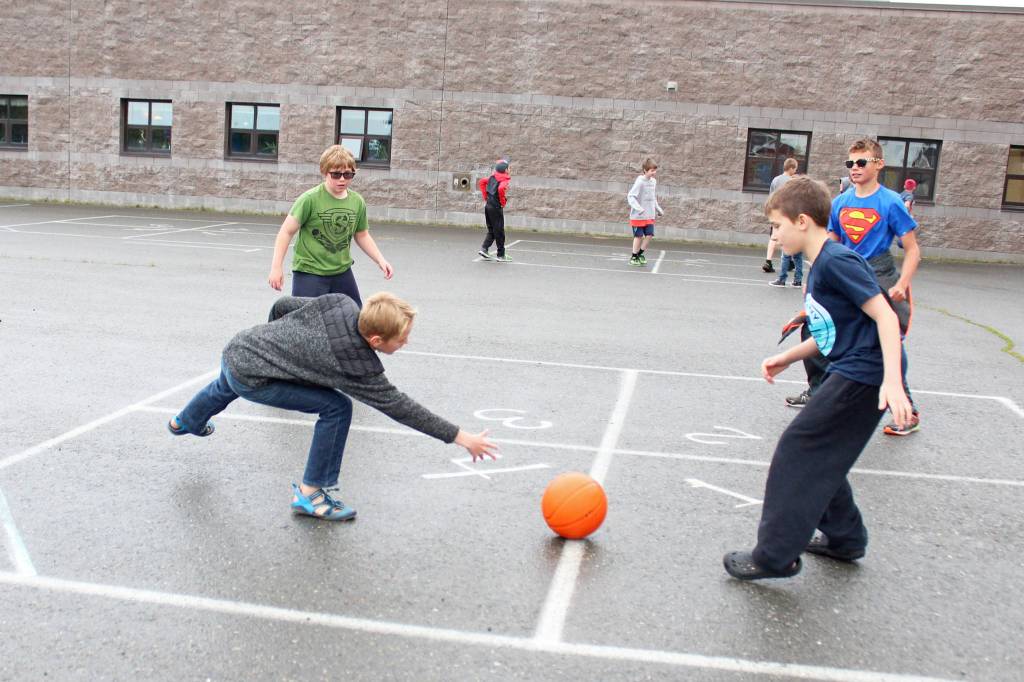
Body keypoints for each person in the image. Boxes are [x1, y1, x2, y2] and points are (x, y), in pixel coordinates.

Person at [723, 177, 912, 580]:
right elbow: (836, 331)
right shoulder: (822, 263)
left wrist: (892, 382)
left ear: (803, 221)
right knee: (824, 453)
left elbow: (885, 316)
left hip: (867, 372)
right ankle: (845, 538)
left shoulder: (836, 261)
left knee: (798, 448)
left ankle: (775, 556)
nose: (774, 234)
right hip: (855, 363)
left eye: (777, 226)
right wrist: (788, 356)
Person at [167, 292, 498, 521]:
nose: (407, 342)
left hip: (240, 345)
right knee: (337, 408)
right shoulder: (357, 365)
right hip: (254, 376)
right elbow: (401, 407)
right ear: (376, 341)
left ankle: (185, 421)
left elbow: (283, 305)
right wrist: (460, 437)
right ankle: (311, 492)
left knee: (225, 384)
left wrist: (271, 337)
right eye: (402, 338)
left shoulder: (340, 303)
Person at [828, 138, 922, 435]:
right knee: (838, 336)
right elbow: (832, 244)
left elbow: (913, 249)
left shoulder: (891, 201)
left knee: (889, 339)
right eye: (850, 163)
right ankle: (828, 397)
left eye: (861, 162)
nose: (854, 168)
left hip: (881, 274)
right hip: (848, 273)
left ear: (879, 164)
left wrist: (902, 284)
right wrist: (817, 281)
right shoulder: (840, 202)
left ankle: (907, 409)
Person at [268, 145, 393, 307]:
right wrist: (276, 268)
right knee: (307, 324)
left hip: (341, 272)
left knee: (354, 319)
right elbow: (286, 232)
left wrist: (380, 260)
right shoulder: (309, 199)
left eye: (348, 174)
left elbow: (362, 235)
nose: (342, 179)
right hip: (309, 272)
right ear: (324, 172)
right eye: (336, 174)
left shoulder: (357, 201)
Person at [762, 158, 798, 273]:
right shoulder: (792, 181)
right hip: (787, 213)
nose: (795, 171)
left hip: (775, 212)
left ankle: (768, 261)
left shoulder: (775, 180)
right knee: (789, 237)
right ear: (791, 168)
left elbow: (771, 197)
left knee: (774, 236)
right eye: (795, 169)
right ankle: (789, 262)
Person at [627, 158, 665, 266]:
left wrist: (658, 209)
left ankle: (640, 254)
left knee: (649, 235)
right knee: (638, 236)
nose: (654, 173)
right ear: (645, 170)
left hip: (649, 214)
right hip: (638, 216)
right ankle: (634, 257)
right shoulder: (640, 181)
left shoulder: (653, 182)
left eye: (655, 170)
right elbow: (631, 196)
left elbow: (653, 198)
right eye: (652, 171)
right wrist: (639, 209)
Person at [477, 159, 512, 262]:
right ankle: (501, 255)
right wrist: (502, 202)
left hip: (488, 206)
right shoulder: (504, 180)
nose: (510, 169)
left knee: (492, 229)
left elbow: (482, 182)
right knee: (499, 231)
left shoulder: (493, 177)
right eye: (509, 167)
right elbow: (501, 189)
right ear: (505, 170)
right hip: (496, 207)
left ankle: (484, 249)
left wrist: (486, 197)